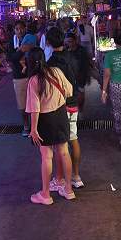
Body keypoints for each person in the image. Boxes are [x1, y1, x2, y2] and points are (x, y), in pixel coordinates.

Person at [24, 48, 75, 205]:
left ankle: (45, 195)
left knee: (46, 156)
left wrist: (33, 129)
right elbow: (69, 90)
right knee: (64, 153)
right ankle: (68, 190)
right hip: (60, 115)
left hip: (45, 119)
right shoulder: (56, 71)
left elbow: (35, 108)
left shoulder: (34, 80)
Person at [47, 27, 84, 191]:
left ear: (48, 43)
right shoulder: (72, 57)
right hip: (73, 102)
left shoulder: (51, 63)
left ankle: (59, 179)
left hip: (59, 105)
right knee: (73, 138)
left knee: (59, 144)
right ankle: (76, 177)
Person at [8, 21, 36, 136]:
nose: (19, 31)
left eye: (21, 28)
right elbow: (11, 58)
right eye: (17, 29)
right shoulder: (12, 42)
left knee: (35, 102)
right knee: (22, 104)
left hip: (33, 74)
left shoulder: (30, 39)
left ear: (25, 29)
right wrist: (21, 51)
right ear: (14, 30)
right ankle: (26, 125)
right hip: (19, 77)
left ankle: (35, 125)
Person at [65, 31, 95, 111]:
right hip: (70, 78)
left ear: (75, 41)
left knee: (80, 94)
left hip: (80, 77)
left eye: (70, 41)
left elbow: (86, 65)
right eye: (67, 42)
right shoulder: (66, 51)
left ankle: (80, 110)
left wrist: (86, 77)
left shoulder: (81, 51)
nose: (69, 43)